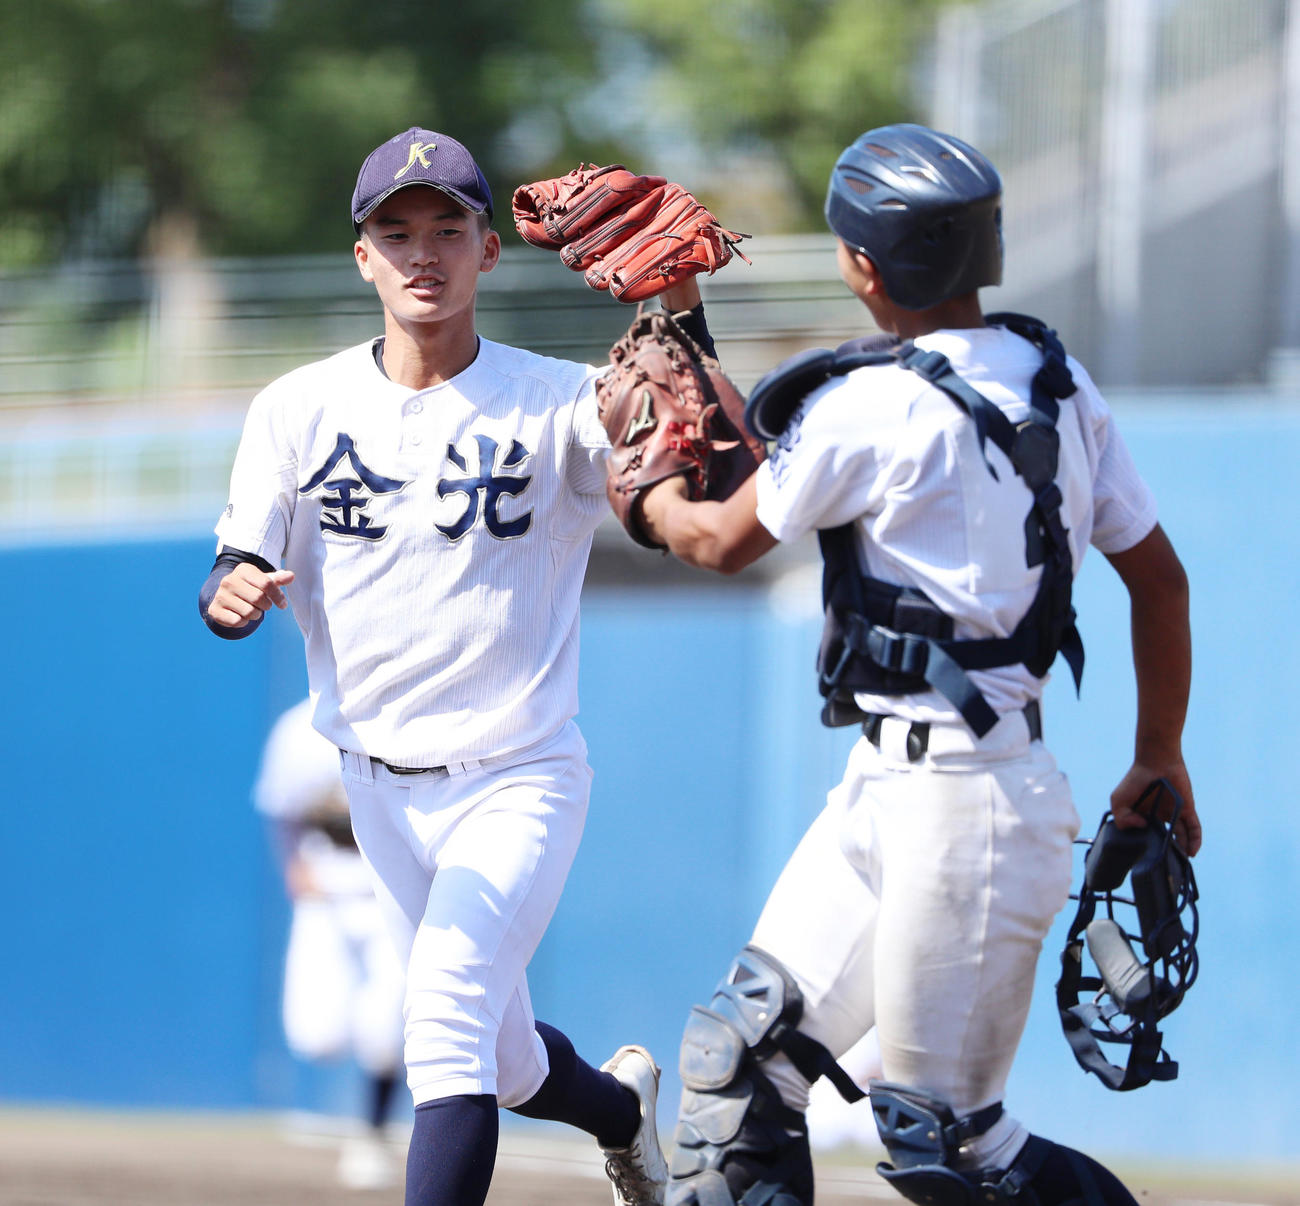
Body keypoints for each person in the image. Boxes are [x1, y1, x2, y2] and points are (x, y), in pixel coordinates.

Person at [634, 123, 1201, 1206]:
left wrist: (641, 480)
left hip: (965, 815)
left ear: (860, 264)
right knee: (737, 1067)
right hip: (903, 794)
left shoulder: (868, 404)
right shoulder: (1057, 380)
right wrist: (1157, 754)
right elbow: (1161, 583)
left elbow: (710, 537)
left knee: (954, 1147)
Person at [198, 127, 714, 1206]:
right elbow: (234, 566)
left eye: (447, 229)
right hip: (376, 782)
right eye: (395, 232)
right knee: (505, 1056)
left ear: (490, 250)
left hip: (516, 774)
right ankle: (620, 1114)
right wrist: (228, 596)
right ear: (362, 258)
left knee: (438, 1019)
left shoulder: (562, 401)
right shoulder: (296, 408)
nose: (420, 253)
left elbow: (689, 479)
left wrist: (684, 319)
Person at [254, 696, 406, 1190]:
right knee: (316, 1035)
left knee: (386, 1032)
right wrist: (293, 868)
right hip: (327, 891)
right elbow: (281, 808)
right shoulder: (299, 728)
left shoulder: (405, 716)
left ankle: (372, 1133)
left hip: (390, 891)